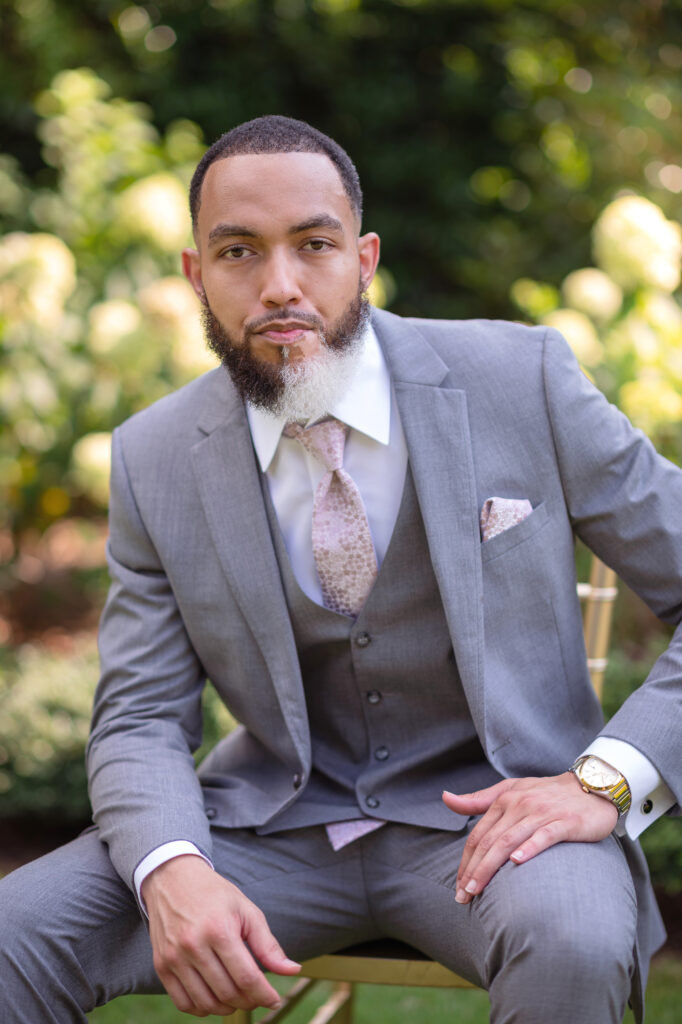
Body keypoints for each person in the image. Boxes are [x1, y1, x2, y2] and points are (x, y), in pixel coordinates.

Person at [0, 115, 679, 1024]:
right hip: (267, 830)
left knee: (576, 942)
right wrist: (173, 866)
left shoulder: (525, 380)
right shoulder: (153, 455)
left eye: (312, 244)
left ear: (362, 258)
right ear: (197, 275)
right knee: (15, 935)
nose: (280, 286)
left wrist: (604, 780)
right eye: (239, 251)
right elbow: (137, 717)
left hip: (506, 824)